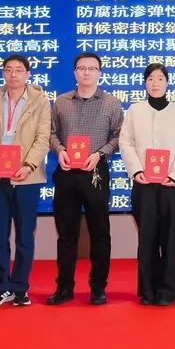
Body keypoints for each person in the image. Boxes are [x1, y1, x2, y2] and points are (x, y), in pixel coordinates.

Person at [0, 54, 52, 306]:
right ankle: (2, 287)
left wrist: (29, 165)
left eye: (19, 70)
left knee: (24, 236)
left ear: (28, 74)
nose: (13, 74)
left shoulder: (41, 101)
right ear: (3, 73)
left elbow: (43, 138)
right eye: (8, 69)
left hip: (26, 178)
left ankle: (20, 288)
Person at [47, 52, 124, 306]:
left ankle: (98, 288)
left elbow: (119, 136)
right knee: (66, 235)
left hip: (95, 174)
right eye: (82, 68)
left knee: (100, 233)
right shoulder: (61, 102)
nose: (87, 72)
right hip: (66, 174)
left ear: (100, 73)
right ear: (75, 72)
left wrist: (100, 154)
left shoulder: (112, 103)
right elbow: (51, 133)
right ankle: (64, 288)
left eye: (92, 68)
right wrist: (60, 151)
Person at [119, 63, 175, 305]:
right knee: (147, 237)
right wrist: (137, 170)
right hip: (144, 183)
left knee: (170, 237)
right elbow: (126, 142)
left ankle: (168, 290)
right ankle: (148, 290)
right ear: (145, 83)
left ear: (167, 83)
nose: (155, 83)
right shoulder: (135, 110)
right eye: (150, 78)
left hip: (171, 184)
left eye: (160, 78)